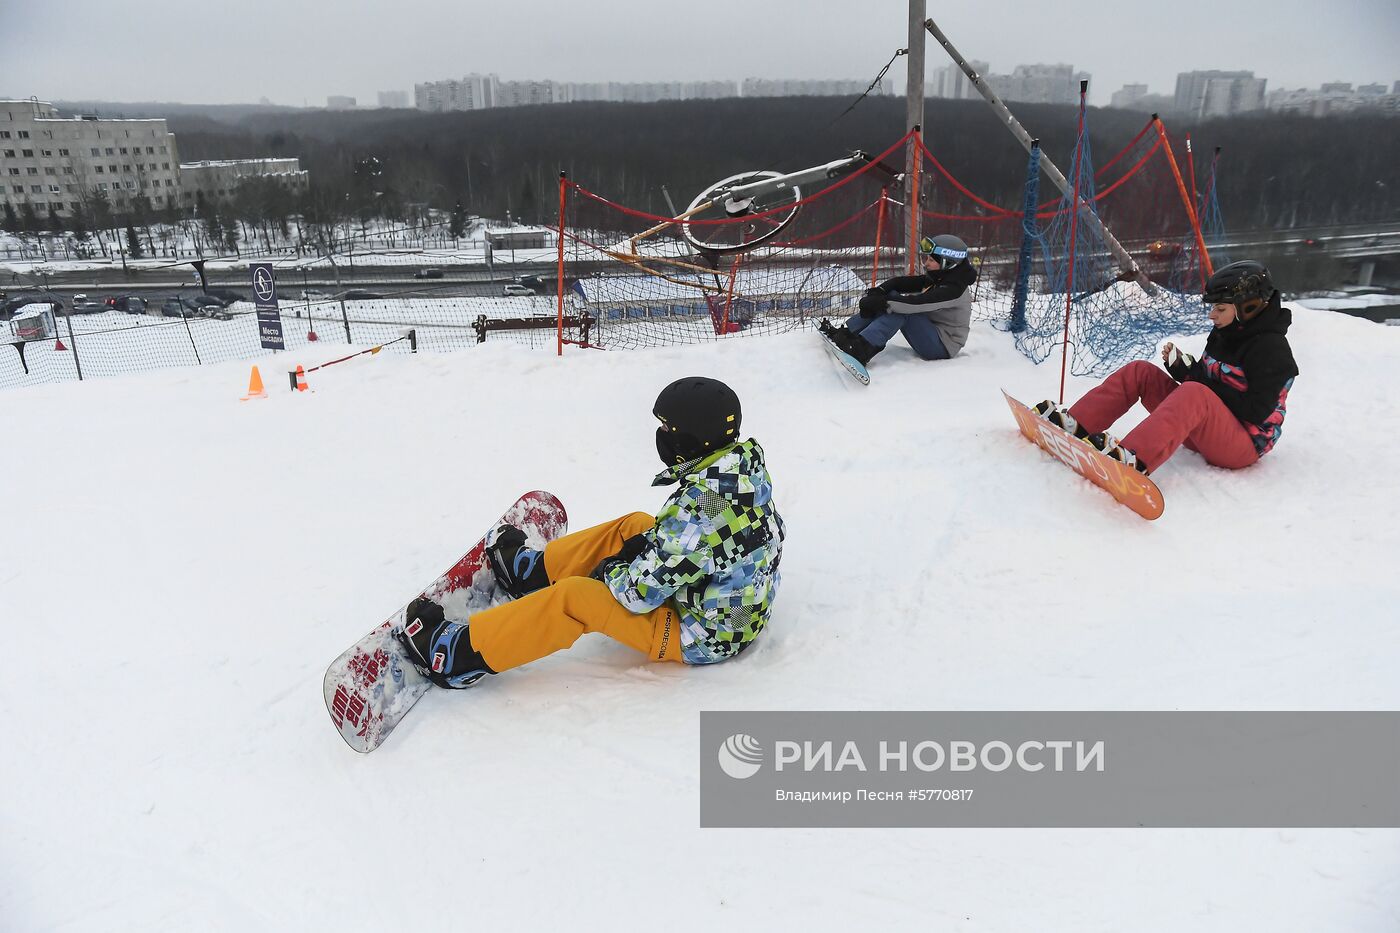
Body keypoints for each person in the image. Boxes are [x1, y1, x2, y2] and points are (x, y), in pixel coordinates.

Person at [395, 376, 786, 688]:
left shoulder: (701, 510)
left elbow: (637, 596)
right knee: (634, 526)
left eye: (669, 428)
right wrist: (637, 550)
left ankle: (459, 654)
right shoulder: (737, 470)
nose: (663, 435)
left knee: (577, 598)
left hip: (704, 633)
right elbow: (697, 543)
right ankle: (533, 573)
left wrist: (612, 570)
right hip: (728, 605)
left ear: (693, 438)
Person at [1033, 260, 1299, 475]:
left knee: (1196, 393)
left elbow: (1255, 410)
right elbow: (1207, 385)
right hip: (1206, 431)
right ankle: (1075, 426)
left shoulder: (1271, 350)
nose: (1211, 315)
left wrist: (1199, 384)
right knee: (1141, 372)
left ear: (1247, 308)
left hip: (1243, 445)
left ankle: (1132, 460)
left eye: (1220, 308)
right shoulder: (1225, 331)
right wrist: (1185, 370)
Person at [819, 233, 977, 367]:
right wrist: (880, 291)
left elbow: (918, 305)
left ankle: (862, 349)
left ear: (947, 263)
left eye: (931, 260)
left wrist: (883, 303)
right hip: (929, 332)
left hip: (942, 346)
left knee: (904, 310)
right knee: (894, 298)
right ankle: (847, 332)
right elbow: (899, 283)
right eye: (926, 258)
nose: (925, 263)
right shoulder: (940, 277)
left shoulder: (954, 289)